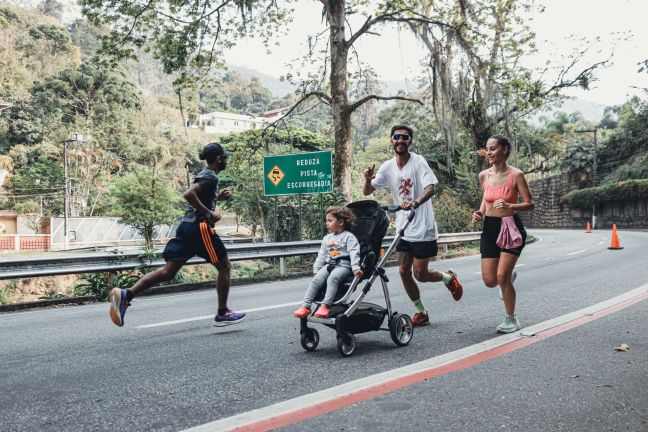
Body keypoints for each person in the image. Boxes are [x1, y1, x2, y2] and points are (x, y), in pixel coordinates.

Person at [108, 142, 246, 327]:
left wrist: (216, 198)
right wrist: (209, 214)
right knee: (225, 267)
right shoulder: (210, 176)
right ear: (219, 159)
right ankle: (222, 313)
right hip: (199, 229)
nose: (226, 161)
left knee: (168, 272)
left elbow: (196, 195)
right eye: (225, 158)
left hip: (186, 228)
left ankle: (126, 295)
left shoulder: (205, 175)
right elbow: (189, 194)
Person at [362, 124, 463, 327]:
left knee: (421, 274)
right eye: (397, 137)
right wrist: (367, 179)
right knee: (403, 270)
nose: (400, 140)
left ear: (410, 141)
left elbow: (430, 187)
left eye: (405, 137)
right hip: (404, 228)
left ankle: (447, 279)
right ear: (391, 140)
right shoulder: (388, 166)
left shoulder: (418, 162)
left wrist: (415, 202)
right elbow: (367, 192)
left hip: (423, 226)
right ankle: (421, 311)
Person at [472, 134, 534, 333]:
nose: (489, 152)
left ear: (505, 150)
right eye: (487, 149)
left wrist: (510, 205)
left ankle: (511, 319)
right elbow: (486, 198)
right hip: (490, 227)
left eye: (493, 148)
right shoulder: (484, 175)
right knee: (490, 280)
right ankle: (506, 279)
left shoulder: (516, 175)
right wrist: (480, 212)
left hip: (510, 227)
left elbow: (529, 204)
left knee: (502, 276)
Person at [293, 206, 363, 319]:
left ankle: (325, 306)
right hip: (329, 264)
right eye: (326, 221)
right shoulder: (327, 238)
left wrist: (355, 268)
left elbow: (354, 252)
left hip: (344, 266)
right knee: (316, 281)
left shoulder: (349, 237)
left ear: (340, 222)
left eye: (330, 221)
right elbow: (322, 255)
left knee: (332, 279)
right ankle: (305, 306)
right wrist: (317, 269)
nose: (327, 223)